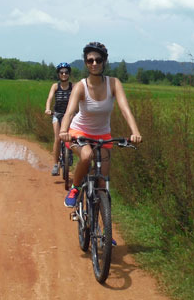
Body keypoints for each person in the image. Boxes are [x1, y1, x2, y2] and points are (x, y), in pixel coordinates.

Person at [58, 42, 142, 207]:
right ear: (85, 63)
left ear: (104, 61)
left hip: (103, 135)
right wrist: (63, 131)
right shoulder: (80, 87)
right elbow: (69, 112)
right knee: (86, 156)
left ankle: (97, 220)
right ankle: (75, 188)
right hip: (78, 133)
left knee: (102, 184)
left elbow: (126, 110)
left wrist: (135, 132)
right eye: (90, 60)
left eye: (98, 60)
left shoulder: (114, 83)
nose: (94, 64)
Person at [44, 62, 74, 176]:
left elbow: (79, 99)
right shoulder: (55, 86)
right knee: (57, 139)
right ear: (58, 74)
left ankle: (69, 154)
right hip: (57, 114)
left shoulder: (73, 86)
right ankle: (55, 165)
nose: (64, 74)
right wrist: (47, 109)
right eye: (62, 72)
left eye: (66, 72)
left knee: (71, 137)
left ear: (69, 74)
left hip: (70, 115)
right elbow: (50, 98)